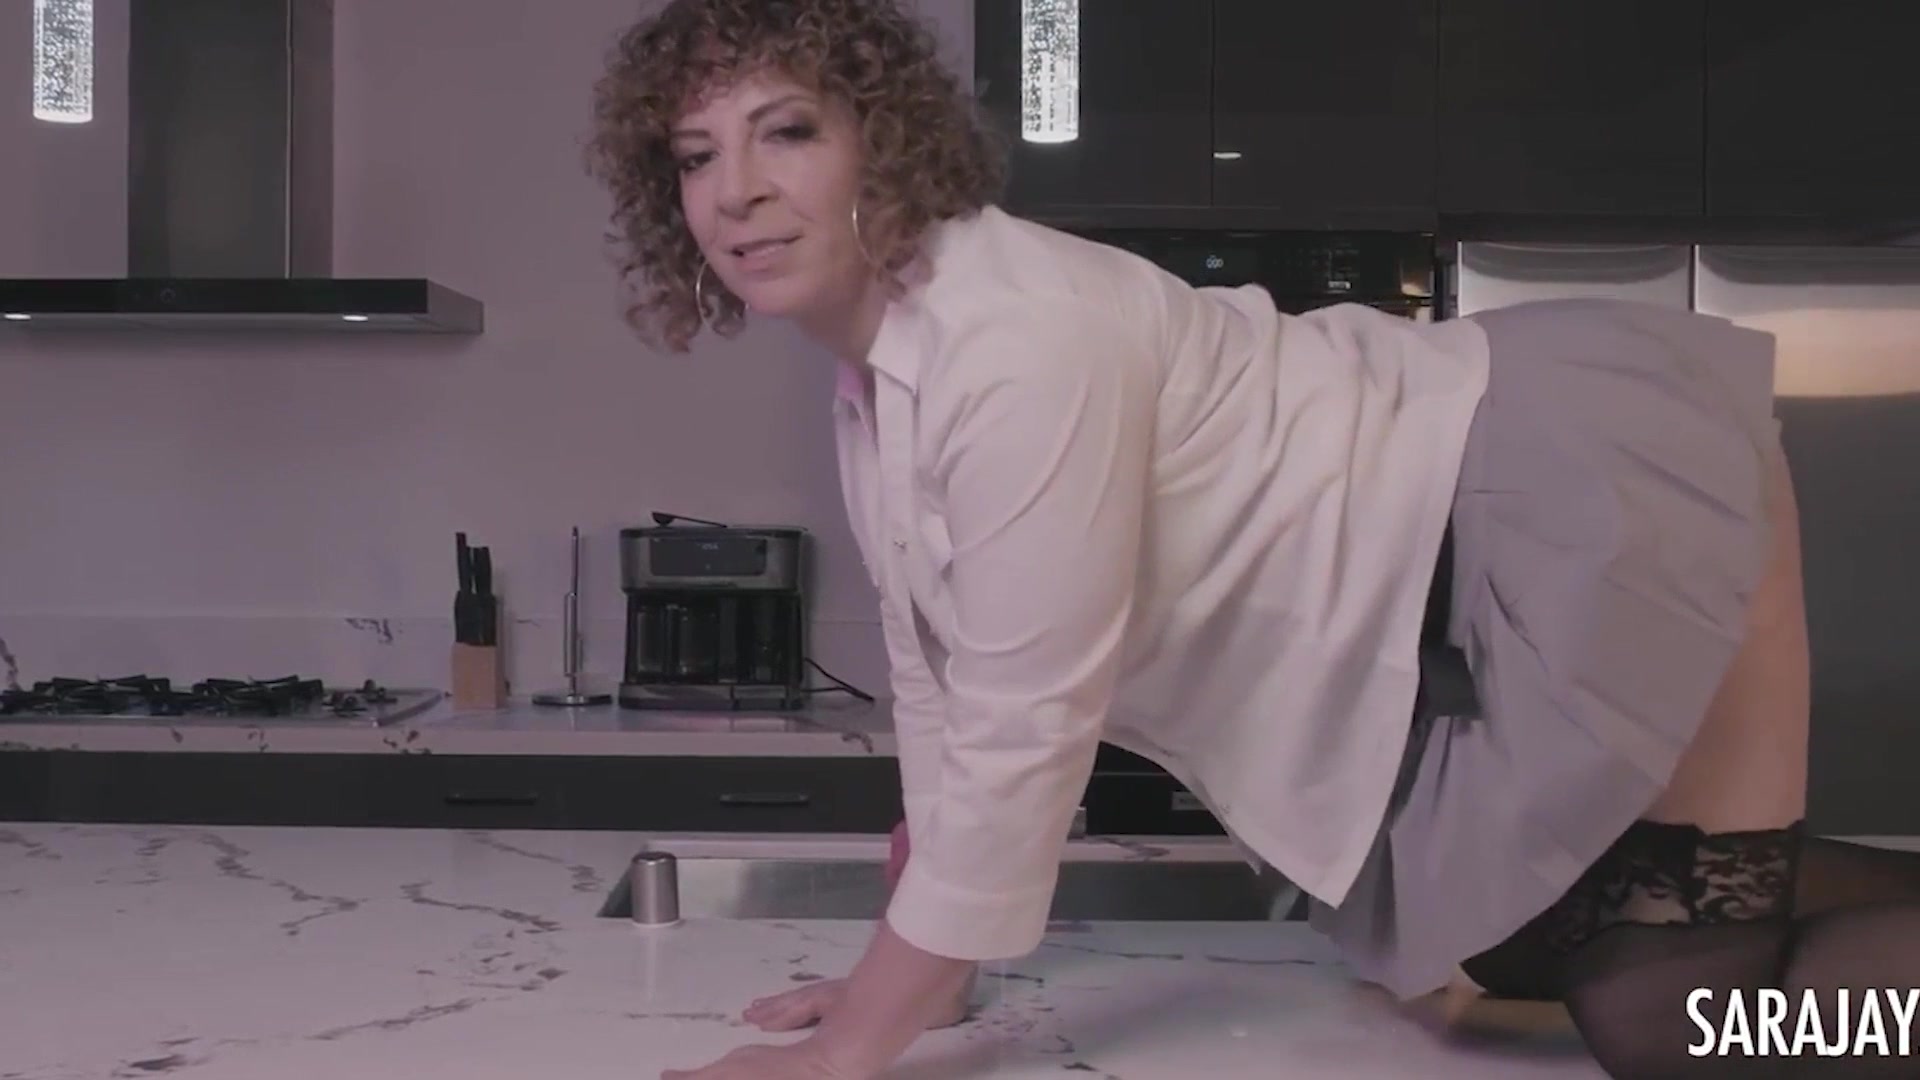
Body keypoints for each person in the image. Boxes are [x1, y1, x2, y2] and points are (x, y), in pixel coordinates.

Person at [585, 2, 1920, 1077]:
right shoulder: (885, 382)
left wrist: (857, 1046)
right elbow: (944, 687)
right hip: (1470, 600)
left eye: (786, 132)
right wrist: (924, 981)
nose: (737, 191)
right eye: (696, 156)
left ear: (880, 142)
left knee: (1670, 1026)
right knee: (1532, 946)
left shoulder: (1012, 332)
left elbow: (1025, 719)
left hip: (1587, 489)